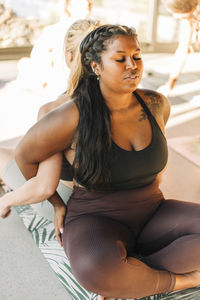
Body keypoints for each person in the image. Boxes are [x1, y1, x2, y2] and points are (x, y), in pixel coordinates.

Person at [14, 24, 200, 299]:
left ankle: (130, 276)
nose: (132, 65)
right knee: (95, 268)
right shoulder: (71, 114)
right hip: (94, 219)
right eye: (119, 59)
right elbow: (24, 156)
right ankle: (178, 281)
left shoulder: (156, 103)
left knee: (112, 272)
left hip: (153, 212)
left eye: (137, 56)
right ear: (96, 67)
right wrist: (56, 203)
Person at [0, 19, 100, 246]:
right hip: (120, 204)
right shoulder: (126, 98)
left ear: (69, 56)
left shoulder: (54, 110)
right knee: (22, 150)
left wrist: (7, 201)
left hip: (72, 206)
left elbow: (45, 187)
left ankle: (9, 186)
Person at [158, 0, 200, 97]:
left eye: (175, 12)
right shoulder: (190, 17)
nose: (174, 17)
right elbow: (182, 50)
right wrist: (170, 84)